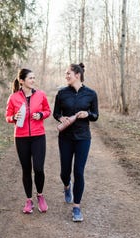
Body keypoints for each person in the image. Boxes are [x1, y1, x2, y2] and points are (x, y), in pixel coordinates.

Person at [53, 63, 99, 222]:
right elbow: (56, 113)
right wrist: (61, 118)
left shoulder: (91, 94)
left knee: (78, 172)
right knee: (65, 172)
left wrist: (87, 114)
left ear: (77, 75)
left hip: (83, 138)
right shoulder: (61, 93)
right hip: (65, 138)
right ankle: (67, 187)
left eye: (68, 74)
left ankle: (76, 207)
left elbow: (95, 115)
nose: (66, 76)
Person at [5, 68, 51, 214]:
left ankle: (40, 196)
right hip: (21, 138)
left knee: (38, 168)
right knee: (26, 169)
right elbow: (7, 116)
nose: (33, 80)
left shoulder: (41, 95)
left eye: (34, 77)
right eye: (30, 78)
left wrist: (40, 114)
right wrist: (14, 118)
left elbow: (48, 111)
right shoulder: (13, 98)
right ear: (22, 81)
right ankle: (29, 200)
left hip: (38, 136)